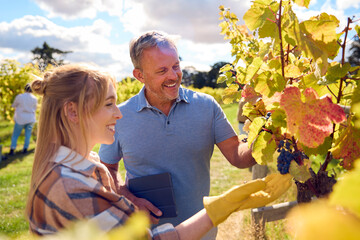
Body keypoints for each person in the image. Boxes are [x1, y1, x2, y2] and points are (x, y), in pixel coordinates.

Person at [25, 64, 292, 239]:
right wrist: (222, 206)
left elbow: (238, 156)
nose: (118, 114)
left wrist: (270, 134)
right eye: (108, 104)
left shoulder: (84, 164)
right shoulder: (70, 186)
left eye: (176, 65)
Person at [98, 30, 257, 239]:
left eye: (176, 66)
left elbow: (237, 155)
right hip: (146, 235)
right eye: (162, 70)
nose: (173, 76)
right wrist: (130, 199)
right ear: (139, 75)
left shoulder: (206, 106)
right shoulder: (120, 116)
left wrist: (266, 136)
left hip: (202, 231)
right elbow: (106, 169)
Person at [8, 83, 37, 155]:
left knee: (15, 134)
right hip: (30, 118)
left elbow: (14, 105)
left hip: (20, 118)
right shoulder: (34, 98)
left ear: (24, 89)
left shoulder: (20, 97)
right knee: (28, 134)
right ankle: (25, 149)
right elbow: (35, 108)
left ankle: (12, 149)